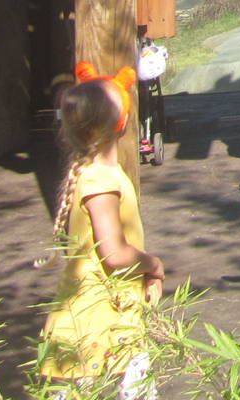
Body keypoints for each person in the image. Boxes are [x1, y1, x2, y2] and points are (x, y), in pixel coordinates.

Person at [39, 66, 165, 399]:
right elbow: (114, 253)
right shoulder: (102, 182)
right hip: (103, 312)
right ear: (122, 123)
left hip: (105, 307)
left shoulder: (93, 173)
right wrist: (153, 265)